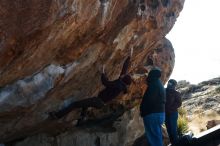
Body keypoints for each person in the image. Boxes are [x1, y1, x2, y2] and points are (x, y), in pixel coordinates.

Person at [49, 51, 133, 123]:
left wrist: (103, 73)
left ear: (123, 78)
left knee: (75, 104)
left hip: (97, 101)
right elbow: (124, 69)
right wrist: (129, 56)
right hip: (100, 103)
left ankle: (57, 115)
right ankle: (82, 119)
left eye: (124, 75)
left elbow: (106, 83)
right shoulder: (121, 84)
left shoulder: (118, 84)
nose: (123, 75)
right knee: (85, 104)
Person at [140, 68, 166, 146]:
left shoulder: (153, 84)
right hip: (159, 113)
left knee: (154, 139)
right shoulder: (159, 83)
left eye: (149, 74)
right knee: (157, 137)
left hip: (152, 114)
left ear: (152, 75)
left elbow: (150, 100)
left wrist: (143, 111)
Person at [165, 79, 182, 145]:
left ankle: (176, 144)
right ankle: (173, 143)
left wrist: (170, 108)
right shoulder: (164, 91)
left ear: (174, 85)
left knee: (173, 130)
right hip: (166, 114)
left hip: (173, 114)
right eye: (169, 83)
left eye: (171, 83)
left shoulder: (176, 93)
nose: (169, 84)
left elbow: (179, 103)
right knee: (169, 130)